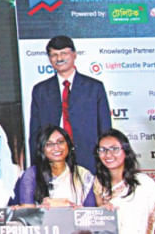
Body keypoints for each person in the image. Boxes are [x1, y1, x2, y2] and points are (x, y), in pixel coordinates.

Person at [29, 35, 111, 172]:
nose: (59, 58)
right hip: (52, 161)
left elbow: (105, 129)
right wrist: (35, 168)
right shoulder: (40, 90)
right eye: (54, 55)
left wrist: (105, 164)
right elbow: (35, 133)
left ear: (74, 55)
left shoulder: (94, 87)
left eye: (64, 53)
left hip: (89, 159)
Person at [93, 129, 155, 234]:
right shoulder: (99, 184)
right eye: (102, 149)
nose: (108, 154)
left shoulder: (144, 183)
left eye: (114, 149)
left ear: (125, 151)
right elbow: (101, 223)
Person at [15, 125, 95, 207]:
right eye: (49, 144)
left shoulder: (83, 175)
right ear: (42, 149)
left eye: (60, 142)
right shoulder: (32, 174)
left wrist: (68, 206)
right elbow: (27, 210)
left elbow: (90, 211)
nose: (56, 148)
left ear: (68, 144)